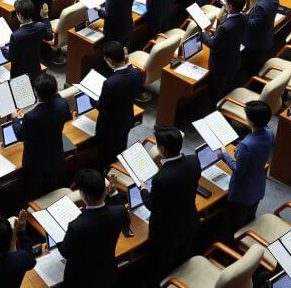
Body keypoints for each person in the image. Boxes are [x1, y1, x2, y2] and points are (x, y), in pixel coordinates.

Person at [137, 125, 201, 279]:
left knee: (162, 266)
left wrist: (143, 189)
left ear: (163, 149)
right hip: (189, 221)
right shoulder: (193, 161)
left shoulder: (161, 178)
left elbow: (152, 205)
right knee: (182, 259)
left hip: (167, 234)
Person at [60, 168, 130, 288]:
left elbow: (66, 252)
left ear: (84, 196)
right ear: (105, 190)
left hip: (81, 281)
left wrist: (57, 238)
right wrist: (113, 194)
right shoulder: (119, 212)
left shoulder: (76, 226)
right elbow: (125, 220)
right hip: (108, 273)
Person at [14, 72, 71, 199]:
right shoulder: (63, 104)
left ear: (35, 92)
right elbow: (66, 114)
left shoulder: (31, 116)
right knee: (50, 190)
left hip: (35, 162)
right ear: (56, 89)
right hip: (55, 155)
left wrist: (16, 119)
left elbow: (20, 135)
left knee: (33, 192)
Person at [221, 99, 273, 231]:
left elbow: (238, 171)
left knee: (236, 223)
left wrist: (225, 154)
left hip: (243, 190)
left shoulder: (246, 145)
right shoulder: (270, 133)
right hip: (258, 183)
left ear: (252, 122)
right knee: (250, 216)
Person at [93, 42, 143, 167]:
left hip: (109, 127)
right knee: (120, 148)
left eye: (105, 58)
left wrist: (92, 99)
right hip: (126, 119)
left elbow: (102, 107)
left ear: (110, 60)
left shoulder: (110, 83)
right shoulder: (137, 72)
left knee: (105, 156)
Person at [203, 0, 248, 102]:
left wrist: (203, 34)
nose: (223, 4)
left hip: (220, 65)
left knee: (217, 92)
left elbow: (213, 45)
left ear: (231, 7)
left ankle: (218, 109)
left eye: (225, 3)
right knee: (228, 86)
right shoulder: (244, 17)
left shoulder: (225, 27)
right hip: (234, 59)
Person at [4, 0, 53, 79]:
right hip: (35, 69)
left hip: (19, 74)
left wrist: (2, 48)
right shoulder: (40, 26)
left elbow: (10, 57)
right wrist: (45, 17)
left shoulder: (15, 35)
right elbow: (50, 36)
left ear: (19, 15)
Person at [243, 0, 278, 77]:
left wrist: (242, 15)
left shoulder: (261, 7)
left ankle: (252, 83)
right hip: (267, 36)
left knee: (253, 67)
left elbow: (253, 25)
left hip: (256, 42)